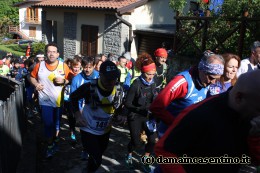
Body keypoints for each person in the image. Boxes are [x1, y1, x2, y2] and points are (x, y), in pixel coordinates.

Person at [153, 70, 260, 173]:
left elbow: (255, 159)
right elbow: (164, 150)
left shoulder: (252, 119)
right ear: (239, 97)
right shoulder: (201, 112)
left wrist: (254, 138)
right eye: (258, 109)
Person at [150, 50, 225, 137]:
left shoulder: (206, 80)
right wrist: (178, 125)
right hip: (171, 136)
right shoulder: (182, 82)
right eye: (211, 78)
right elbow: (156, 106)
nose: (213, 82)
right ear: (201, 70)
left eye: (217, 79)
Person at [70, 60, 124, 173]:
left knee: (97, 156)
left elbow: (118, 107)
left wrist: (119, 117)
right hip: (88, 129)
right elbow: (73, 98)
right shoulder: (89, 87)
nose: (111, 82)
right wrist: (78, 116)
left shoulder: (118, 89)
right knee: (97, 159)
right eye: (107, 78)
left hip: (105, 130)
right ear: (100, 75)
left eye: (113, 78)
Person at [30, 43, 70, 158]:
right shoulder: (39, 65)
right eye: (49, 51)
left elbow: (71, 78)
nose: (51, 54)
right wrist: (36, 84)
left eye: (54, 52)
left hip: (58, 101)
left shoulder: (63, 66)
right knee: (48, 124)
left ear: (58, 54)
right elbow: (31, 76)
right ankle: (50, 145)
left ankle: (55, 140)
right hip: (45, 100)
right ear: (46, 53)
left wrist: (64, 81)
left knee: (57, 124)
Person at [124, 52, 158, 173]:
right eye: (149, 74)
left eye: (153, 74)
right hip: (136, 115)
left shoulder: (154, 82)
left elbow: (155, 98)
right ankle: (128, 155)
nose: (151, 77)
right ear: (143, 72)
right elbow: (127, 104)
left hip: (149, 116)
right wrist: (141, 109)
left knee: (153, 140)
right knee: (136, 143)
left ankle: (146, 159)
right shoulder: (135, 84)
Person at [70, 56, 99, 159]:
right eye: (85, 67)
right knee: (85, 132)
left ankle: (95, 149)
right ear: (82, 66)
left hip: (96, 109)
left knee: (96, 132)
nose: (87, 69)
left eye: (90, 67)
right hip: (83, 110)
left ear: (94, 66)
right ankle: (85, 149)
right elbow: (73, 97)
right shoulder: (77, 79)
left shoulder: (99, 77)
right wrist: (78, 112)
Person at [63, 56, 82, 144]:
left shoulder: (82, 74)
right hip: (68, 98)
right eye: (75, 67)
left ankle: (82, 134)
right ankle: (72, 132)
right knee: (71, 117)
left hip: (80, 99)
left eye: (78, 67)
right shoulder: (69, 74)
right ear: (71, 66)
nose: (76, 69)